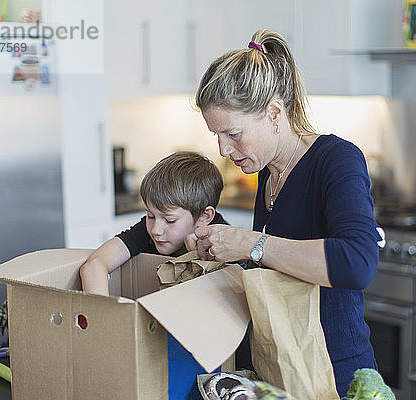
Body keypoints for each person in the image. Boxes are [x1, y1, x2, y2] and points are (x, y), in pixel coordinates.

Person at [192, 29, 384, 396]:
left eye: (233, 134)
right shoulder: (267, 170)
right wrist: (219, 240)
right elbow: (281, 263)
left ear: (274, 112)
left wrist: (251, 244)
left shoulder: (337, 160)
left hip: (335, 375)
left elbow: (358, 263)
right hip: (283, 369)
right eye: (216, 135)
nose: (223, 149)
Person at [80, 151, 228, 296]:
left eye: (170, 220)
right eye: (150, 215)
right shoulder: (147, 231)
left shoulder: (223, 240)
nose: (156, 230)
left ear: (204, 217)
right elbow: (94, 265)